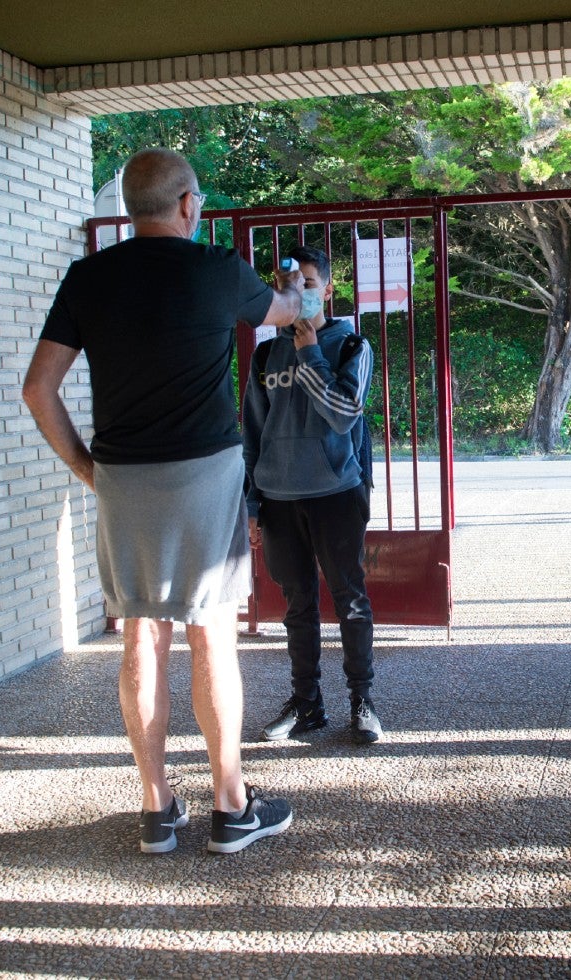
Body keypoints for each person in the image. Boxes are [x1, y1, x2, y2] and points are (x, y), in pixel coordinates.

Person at [22, 148, 302, 856]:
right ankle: (231, 808)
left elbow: (38, 388)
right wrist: (299, 291)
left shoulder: (88, 277)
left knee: (141, 637)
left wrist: (88, 469)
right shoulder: (218, 269)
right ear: (186, 205)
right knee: (212, 635)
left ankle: (157, 810)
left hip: (123, 478)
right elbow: (284, 312)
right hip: (206, 474)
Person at [243, 245, 382, 746]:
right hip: (279, 498)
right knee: (297, 607)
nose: (298, 291)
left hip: (336, 493)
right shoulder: (265, 354)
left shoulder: (351, 346)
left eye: (307, 283)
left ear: (327, 290)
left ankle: (362, 701)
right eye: (288, 284)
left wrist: (309, 353)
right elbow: (253, 434)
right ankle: (306, 703)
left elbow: (343, 415)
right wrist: (252, 505)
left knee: (350, 600)